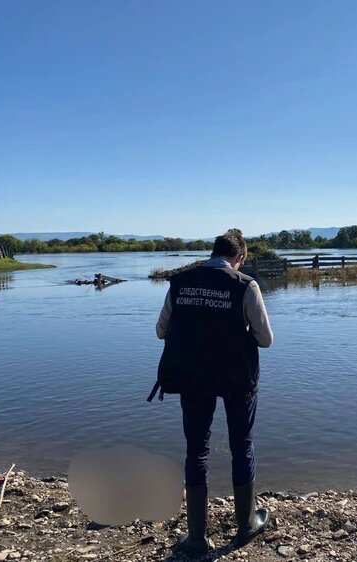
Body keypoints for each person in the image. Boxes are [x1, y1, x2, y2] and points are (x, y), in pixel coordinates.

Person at [149, 231, 274, 555]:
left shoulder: (179, 282)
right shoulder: (245, 285)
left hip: (191, 378)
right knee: (241, 445)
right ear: (239, 258)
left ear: (212, 253)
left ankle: (196, 538)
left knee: (197, 449)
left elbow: (161, 330)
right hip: (236, 378)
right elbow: (265, 339)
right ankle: (245, 526)